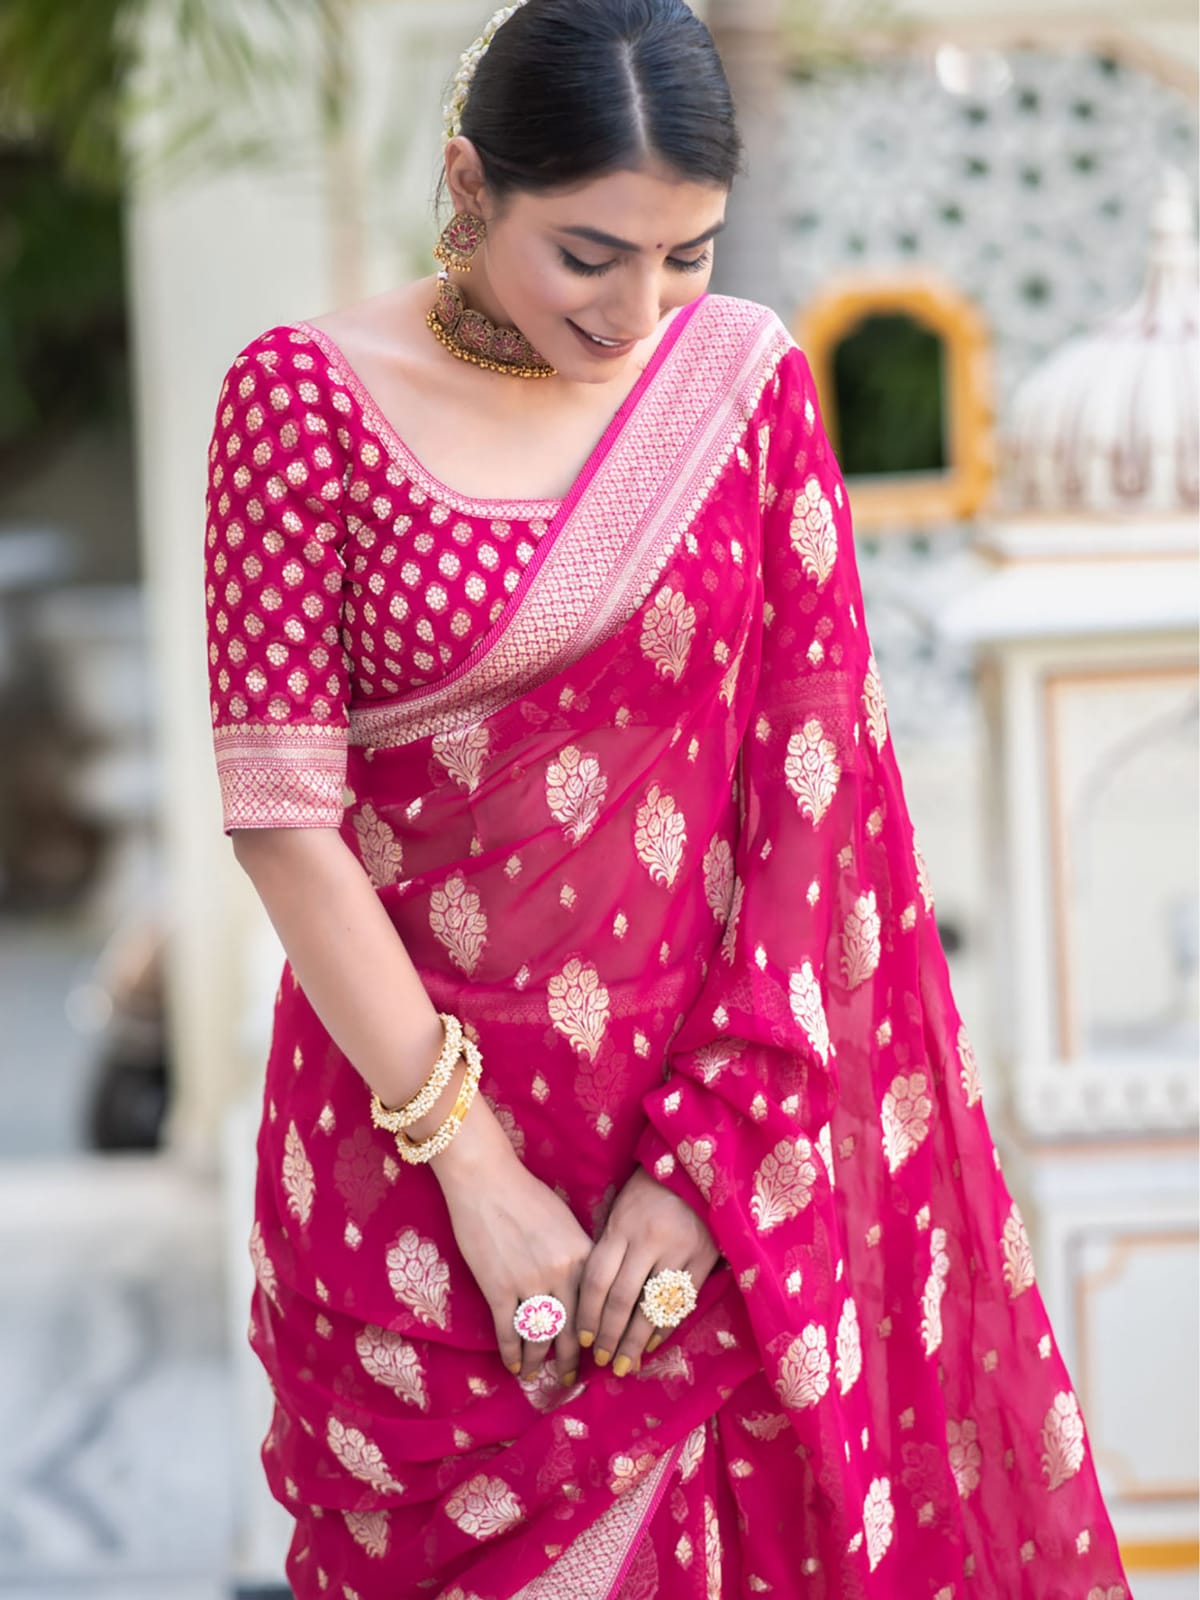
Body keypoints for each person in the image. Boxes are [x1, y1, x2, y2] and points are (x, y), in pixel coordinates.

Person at [202, 2, 1130, 1595]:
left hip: (719, 1166)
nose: (640, 306)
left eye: (687, 253)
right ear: (468, 184)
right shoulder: (304, 405)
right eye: (591, 253)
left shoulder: (744, 389)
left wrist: (712, 1163)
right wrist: (478, 1177)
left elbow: (815, 786)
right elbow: (284, 815)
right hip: (412, 1183)